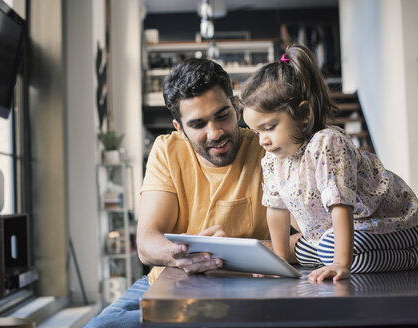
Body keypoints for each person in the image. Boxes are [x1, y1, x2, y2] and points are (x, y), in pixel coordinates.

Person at [86, 58, 301, 328]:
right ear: (180, 128)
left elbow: (316, 239)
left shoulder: (269, 149)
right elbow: (147, 242)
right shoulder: (166, 150)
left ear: (236, 106)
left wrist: (238, 254)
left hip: (250, 285)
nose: (215, 133)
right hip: (170, 281)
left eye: (222, 115)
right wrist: (187, 253)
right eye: (198, 124)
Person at [240, 43, 418, 283]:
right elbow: (276, 209)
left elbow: (341, 206)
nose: (263, 140)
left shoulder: (326, 143)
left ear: (303, 114)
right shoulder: (273, 158)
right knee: (303, 251)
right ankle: (337, 253)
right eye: (256, 132)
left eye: (269, 128)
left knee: (329, 250)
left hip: (395, 223)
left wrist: (340, 264)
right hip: (335, 235)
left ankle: (413, 255)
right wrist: (280, 259)